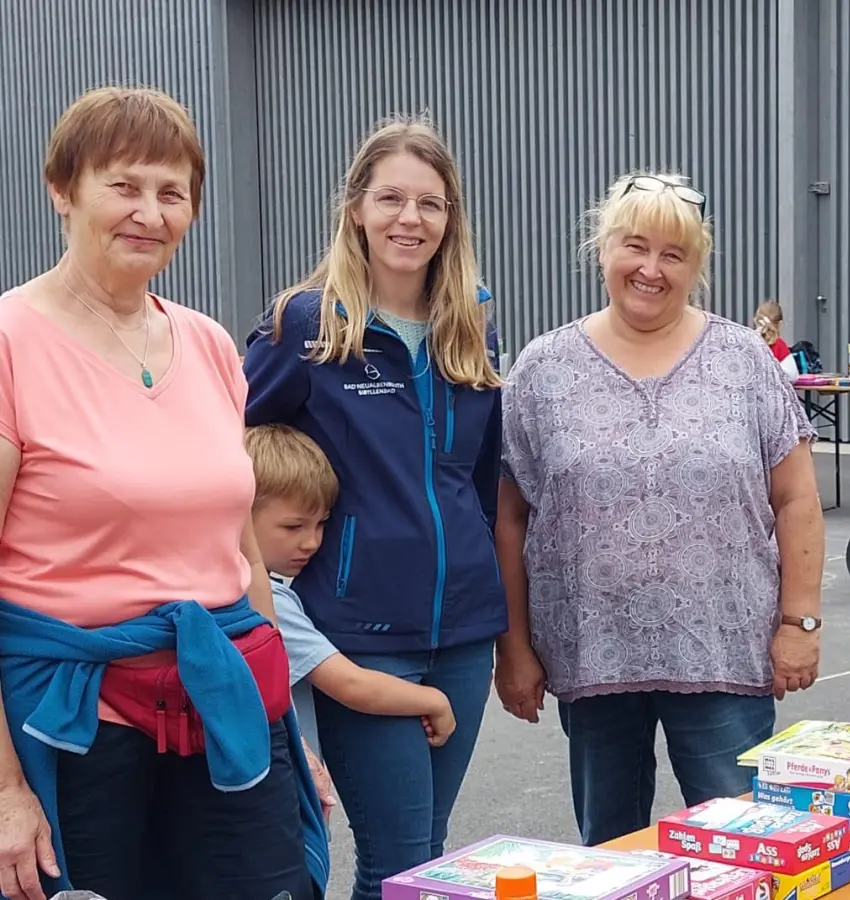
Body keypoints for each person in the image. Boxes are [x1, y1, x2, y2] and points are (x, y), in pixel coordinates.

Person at [0, 86, 325, 900]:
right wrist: (4, 791)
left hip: (222, 698)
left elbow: (238, 545)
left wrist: (278, 718)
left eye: (172, 192)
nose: (150, 211)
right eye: (125, 184)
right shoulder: (11, 341)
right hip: (76, 721)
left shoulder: (211, 343)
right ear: (62, 188)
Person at [494, 170, 825, 847]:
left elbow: (796, 497)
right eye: (635, 246)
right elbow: (509, 519)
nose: (651, 269)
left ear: (696, 265)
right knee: (611, 853)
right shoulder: (543, 370)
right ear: (602, 250)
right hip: (592, 659)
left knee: (745, 848)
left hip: (724, 656)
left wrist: (801, 619)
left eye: (673, 254)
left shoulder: (743, 360)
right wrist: (515, 649)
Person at [242, 116, 505, 900]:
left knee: (431, 857)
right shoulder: (307, 327)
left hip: (462, 636)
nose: (409, 219)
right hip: (358, 635)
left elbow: (482, 489)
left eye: (430, 203)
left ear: (451, 217)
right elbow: (225, 455)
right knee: (397, 863)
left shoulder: (469, 330)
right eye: (391, 198)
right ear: (356, 207)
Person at [245, 424, 458, 760]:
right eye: (293, 526)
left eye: (321, 524)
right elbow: (351, 685)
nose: (312, 541)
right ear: (241, 515)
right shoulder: (265, 600)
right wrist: (435, 701)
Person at [752, 300, 798, 379]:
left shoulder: (748, 341)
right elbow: (792, 376)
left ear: (756, 321)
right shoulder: (779, 344)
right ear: (780, 324)